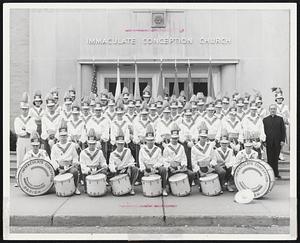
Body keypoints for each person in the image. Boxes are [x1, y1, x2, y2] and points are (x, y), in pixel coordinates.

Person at [51, 119, 81, 195]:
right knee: (51, 172)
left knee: (75, 172)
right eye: (61, 136)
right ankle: (57, 188)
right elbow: (53, 159)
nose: (63, 138)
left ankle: (76, 187)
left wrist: (75, 162)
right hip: (59, 167)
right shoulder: (55, 147)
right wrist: (58, 168)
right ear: (58, 136)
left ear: (67, 136)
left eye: (65, 136)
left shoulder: (71, 145)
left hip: (69, 166)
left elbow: (75, 156)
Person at [14, 92, 37, 186]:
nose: (25, 111)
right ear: (21, 109)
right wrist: (26, 130)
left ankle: (30, 178)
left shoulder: (31, 119)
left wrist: (26, 129)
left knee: (29, 158)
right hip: (21, 140)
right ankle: (18, 180)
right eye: (23, 109)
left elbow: (33, 129)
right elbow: (18, 131)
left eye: (26, 109)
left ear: (28, 109)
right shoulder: (17, 119)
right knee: (20, 159)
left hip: (28, 140)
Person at [163, 123, 196, 188]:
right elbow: (165, 160)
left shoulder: (181, 147)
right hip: (171, 168)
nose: (175, 140)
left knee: (191, 174)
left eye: (176, 138)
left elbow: (184, 158)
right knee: (171, 182)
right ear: (170, 138)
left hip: (179, 167)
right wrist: (170, 167)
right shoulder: (167, 148)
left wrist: (183, 165)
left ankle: (187, 187)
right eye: (173, 138)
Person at [139, 124, 168, 196]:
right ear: (146, 140)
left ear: (154, 140)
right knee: (138, 170)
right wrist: (144, 169)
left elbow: (160, 161)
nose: (150, 142)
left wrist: (154, 167)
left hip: (155, 168)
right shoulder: (142, 150)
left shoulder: (158, 149)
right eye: (148, 140)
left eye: (151, 140)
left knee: (163, 169)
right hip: (147, 168)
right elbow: (141, 161)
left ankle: (164, 188)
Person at [109, 128, 139, 195]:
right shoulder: (113, 154)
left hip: (127, 169)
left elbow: (132, 161)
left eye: (122, 144)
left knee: (135, 169)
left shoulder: (127, 150)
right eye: (119, 144)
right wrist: (115, 169)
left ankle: (131, 186)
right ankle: (115, 187)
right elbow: (111, 165)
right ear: (116, 144)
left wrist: (129, 167)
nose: (121, 145)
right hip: (118, 171)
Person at [80, 128, 108, 193]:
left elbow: (103, 162)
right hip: (88, 171)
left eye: (93, 144)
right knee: (88, 191)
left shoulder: (99, 152)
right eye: (90, 144)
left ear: (95, 143)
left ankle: (102, 186)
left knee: (104, 171)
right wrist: (90, 171)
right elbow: (82, 166)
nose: (91, 145)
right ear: (87, 143)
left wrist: (104, 166)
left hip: (97, 170)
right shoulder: (83, 152)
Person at [263, 104, 286, 179]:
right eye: (271, 109)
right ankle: (270, 174)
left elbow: (283, 130)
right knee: (270, 158)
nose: (273, 110)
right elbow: (263, 131)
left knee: (276, 158)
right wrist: (264, 141)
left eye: (274, 109)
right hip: (268, 142)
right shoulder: (265, 120)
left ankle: (276, 173)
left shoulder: (280, 119)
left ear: (276, 110)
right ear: (269, 110)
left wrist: (282, 140)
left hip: (277, 142)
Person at [191, 121, 215, 191]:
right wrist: (199, 171)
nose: (203, 139)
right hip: (200, 168)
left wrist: (211, 165)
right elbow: (193, 162)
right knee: (203, 189)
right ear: (199, 137)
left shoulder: (210, 146)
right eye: (202, 137)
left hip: (209, 166)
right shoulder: (194, 147)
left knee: (212, 186)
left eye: (205, 137)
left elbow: (214, 158)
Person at [210, 128, 236, 192]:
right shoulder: (216, 151)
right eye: (222, 143)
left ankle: (228, 184)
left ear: (228, 144)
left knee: (231, 168)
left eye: (225, 143)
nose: (224, 145)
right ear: (220, 143)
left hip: (227, 165)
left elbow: (233, 161)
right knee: (222, 171)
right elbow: (213, 160)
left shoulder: (230, 151)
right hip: (219, 166)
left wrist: (228, 164)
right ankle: (221, 185)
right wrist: (216, 165)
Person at [179, 102, 197, 171]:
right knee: (186, 157)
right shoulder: (181, 125)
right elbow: (180, 136)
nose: (188, 117)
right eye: (187, 115)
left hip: (192, 144)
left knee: (194, 157)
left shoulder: (194, 125)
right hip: (185, 144)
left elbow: (196, 134)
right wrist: (186, 142)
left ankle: (194, 171)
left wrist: (193, 141)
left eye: (189, 115)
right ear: (184, 114)